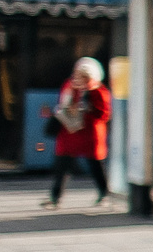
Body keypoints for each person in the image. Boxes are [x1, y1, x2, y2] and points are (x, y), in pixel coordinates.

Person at [43, 57, 111, 208]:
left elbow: (104, 114)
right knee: (62, 165)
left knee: (95, 165)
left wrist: (88, 109)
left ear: (91, 77)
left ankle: (104, 193)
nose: (77, 78)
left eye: (82, 75)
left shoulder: (98, 91)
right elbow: (62, 104)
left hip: (89, 133)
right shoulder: (68, 86)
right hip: (69, 131)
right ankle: (55, 198)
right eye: (76, 74)